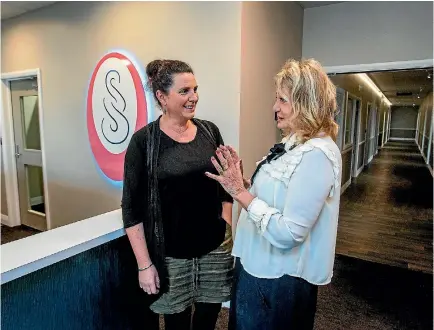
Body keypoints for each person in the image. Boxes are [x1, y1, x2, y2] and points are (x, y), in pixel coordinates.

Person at [206, 58, 342, 330]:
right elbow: (276, 198)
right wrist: (242, 184)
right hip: (257, 267)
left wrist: (240, 193)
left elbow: (290, 232)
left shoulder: (317, 154)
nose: (275, 108)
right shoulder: (293, 144)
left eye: (282, 99)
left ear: (306, 103)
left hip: (278, 281)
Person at [121, 59, 234, 330]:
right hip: (171, 255)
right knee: (177, 323)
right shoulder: (143, 142)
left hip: (214, 249)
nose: (193, 97)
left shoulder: (209, 131)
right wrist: (144, 265)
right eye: (184, 91)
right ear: (162, 96)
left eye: (195, 89)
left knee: (208, 318)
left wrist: (226, 222)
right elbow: (131, 208)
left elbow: (224, 184)